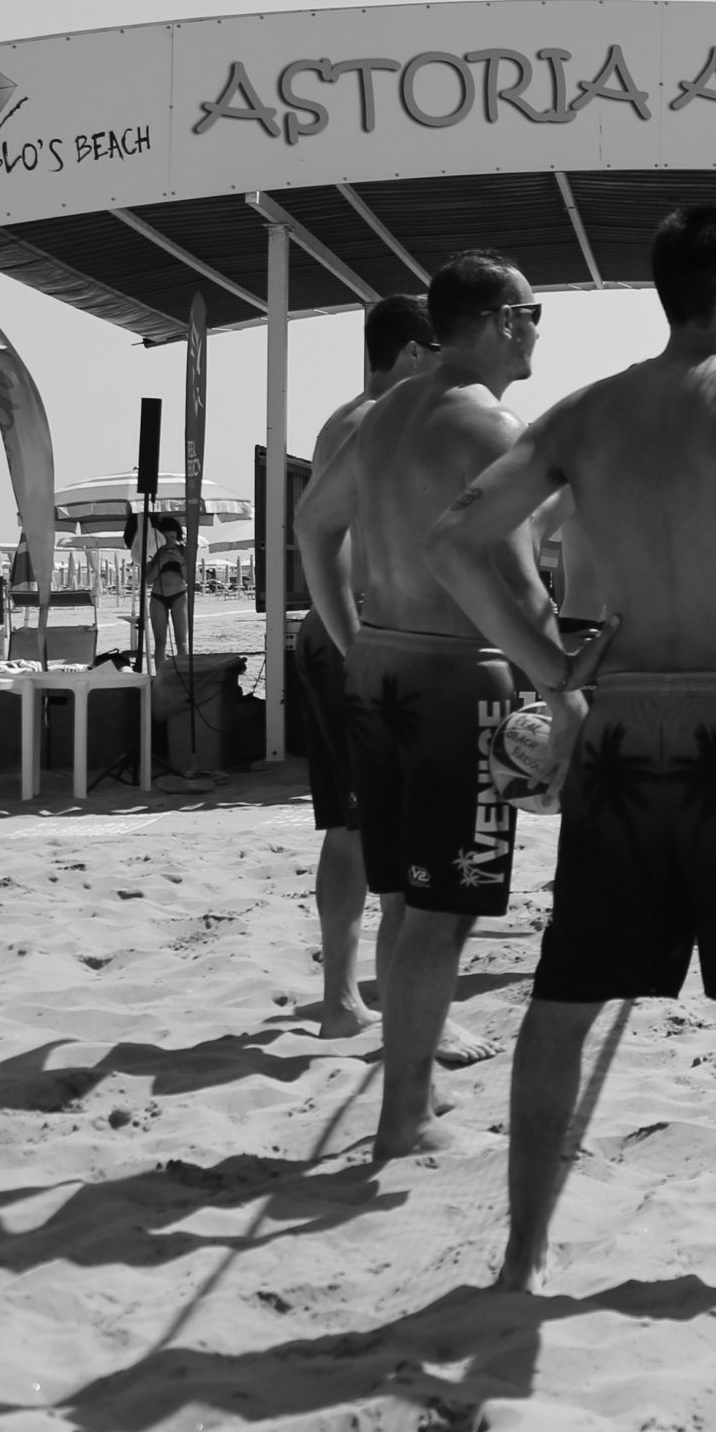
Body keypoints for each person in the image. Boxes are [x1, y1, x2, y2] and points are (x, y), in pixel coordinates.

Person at [429, 203, 716, 1295]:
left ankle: (522, 1260)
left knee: (564, 1004)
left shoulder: (588, 413)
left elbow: (456, 542)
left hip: (625, 731)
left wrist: (549, 664)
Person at [294, 250, 585, 1162]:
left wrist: (350, 638)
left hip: (377, 668)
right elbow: (521, 585)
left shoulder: (378, 420)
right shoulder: (491, 426)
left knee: (404, 896)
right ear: (501, 320)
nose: (540, 326)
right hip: (459, 677)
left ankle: (405, 1094)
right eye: (534, 310)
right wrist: (565, 695)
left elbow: (314, 526)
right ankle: (404, 1118)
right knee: (444, 908)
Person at [292, 292, 436, 1038]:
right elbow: (328, 539)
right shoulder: (376, 422)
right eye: (438, 350)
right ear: (412, 352)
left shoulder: (343, 420)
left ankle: (343, 993)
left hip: (346, 637)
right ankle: (357, 1001)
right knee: (377, 830)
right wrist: (360, 650)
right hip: (354, 640)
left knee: (354, 827)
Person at [144, 516, 189, 666]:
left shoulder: (183, 550)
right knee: (160, 643)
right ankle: (160, 676)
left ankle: (183, 673)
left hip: (179, 595)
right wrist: (160, 563)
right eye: (166, 537)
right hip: (158, 596)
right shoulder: (153, 552)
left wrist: (181, 562)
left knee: (181, 641)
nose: (170, 540)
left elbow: (190, 578)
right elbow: (147, 580)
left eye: (173, 537)